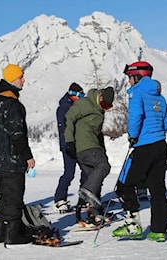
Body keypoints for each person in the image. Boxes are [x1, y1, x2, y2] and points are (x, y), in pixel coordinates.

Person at [112, 61, 167, 242]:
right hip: (160, 145)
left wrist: (133, 135)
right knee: (157, 189)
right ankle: (158, 231)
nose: (128, 81)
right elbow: (166, 123)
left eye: (129, 77)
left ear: (137, 76)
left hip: (143, 145)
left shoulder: (136, 93)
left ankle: (133, 226)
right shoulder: (160, 97)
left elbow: (136, 116)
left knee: (124, 184)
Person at [0, 64, 35, 246]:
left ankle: (0, 231)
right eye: (21, 77)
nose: (23, 80)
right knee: (14, 195)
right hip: (10, 157)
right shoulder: (11, 103)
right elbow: (17, 133)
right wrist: (27, 156)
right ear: (12, 79)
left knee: (4, 194)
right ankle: (13, 234)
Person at [64, 86, 114, 225]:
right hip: (85, 146)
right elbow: (69, 117)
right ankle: (87, 191)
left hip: (93, 146)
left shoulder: (100, 111)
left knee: (94, 178)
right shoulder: (84, 103)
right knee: (104, 167)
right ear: (100, 97)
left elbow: (98, 134)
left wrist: (103, 150)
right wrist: (69, 142)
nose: (104, 108)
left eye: (108, 107)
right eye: (104, 105)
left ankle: (94, 213)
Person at [53, 82, 88, 213]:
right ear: (74, 95)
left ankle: (84, 198)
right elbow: (64, 129)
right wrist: (68, 144)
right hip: (68, 145)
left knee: (86, 172)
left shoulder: (76, 106)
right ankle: (59, 199)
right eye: (81, 95)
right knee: (69, 173)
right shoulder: (64, 108)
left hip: (79, 145)